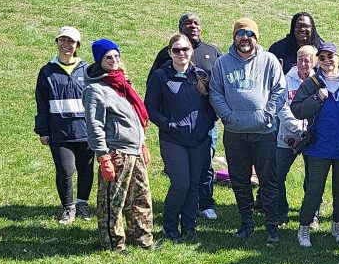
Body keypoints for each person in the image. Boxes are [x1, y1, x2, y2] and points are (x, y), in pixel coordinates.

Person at [209, 18, 287, 244]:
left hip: (264, 131)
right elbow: (215, 92)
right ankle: (246, 222)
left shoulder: (269, 60)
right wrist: (228, 116)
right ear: (234, 37)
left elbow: (279, 90)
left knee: (268, 180)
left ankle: (271, 226)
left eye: (250, 34)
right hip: (235, 132)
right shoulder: (222, 63)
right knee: (240, 179)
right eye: (240, 33)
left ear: (256, 38)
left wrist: (267, 115)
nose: (245, 38)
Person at [149, 13, 223, 220]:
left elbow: (217, 89)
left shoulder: (211, 51)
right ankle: (175, 216)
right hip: (175, 128)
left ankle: (204, 204)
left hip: (204, 125)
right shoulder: (165, 58)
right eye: (187, 23)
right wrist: (167, 123)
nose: (192, 26)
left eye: (196, 23)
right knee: (182, 178)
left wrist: (211, 119)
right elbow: (153, 95)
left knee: (204, 166)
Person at [84, 38, 153, 251]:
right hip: (117, 152)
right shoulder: (96, 89)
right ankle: (114, 243)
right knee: (113, 201)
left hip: (135, 151)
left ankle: (142, 239)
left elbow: (135, 117)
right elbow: (94, 125)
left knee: (141, 198)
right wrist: (104, 157)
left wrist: (142, 143)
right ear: (99, 60)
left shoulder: (123, 84)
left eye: (116, 56)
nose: (114, 60)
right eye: (108, 57)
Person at [290, 43, 339, 247]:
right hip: (319, 147)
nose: (327, 61)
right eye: (323, 57)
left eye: (331, 56)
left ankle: (337, 227)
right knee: (314, 189)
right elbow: (297, 110)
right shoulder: (313, 83)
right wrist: (317, 98)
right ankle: (304, 229)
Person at [34, 26, 93, 225]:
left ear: (77, 46)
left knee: (86, 170)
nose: (66, 45)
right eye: (63, 40)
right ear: (57, 42)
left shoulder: (88, 70)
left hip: (85, 131)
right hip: (59, 132)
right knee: (65, 171)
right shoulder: (47, 71)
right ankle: (68, 208)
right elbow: (41, 102)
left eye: (71, 42)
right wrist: (42, 130)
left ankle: (82, 203)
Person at [274, 45, 317, 224]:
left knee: (313, 178)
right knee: (277, 174)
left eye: (308, 60)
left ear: (314, 62)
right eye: (300, 59)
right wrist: (298, 130)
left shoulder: (318, 81)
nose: (304, 63)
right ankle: (280, 212)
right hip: (287, 136)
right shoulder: (286, 80)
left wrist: (308, 132)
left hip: (313, 138)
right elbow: (281, 108)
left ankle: (311, 214)